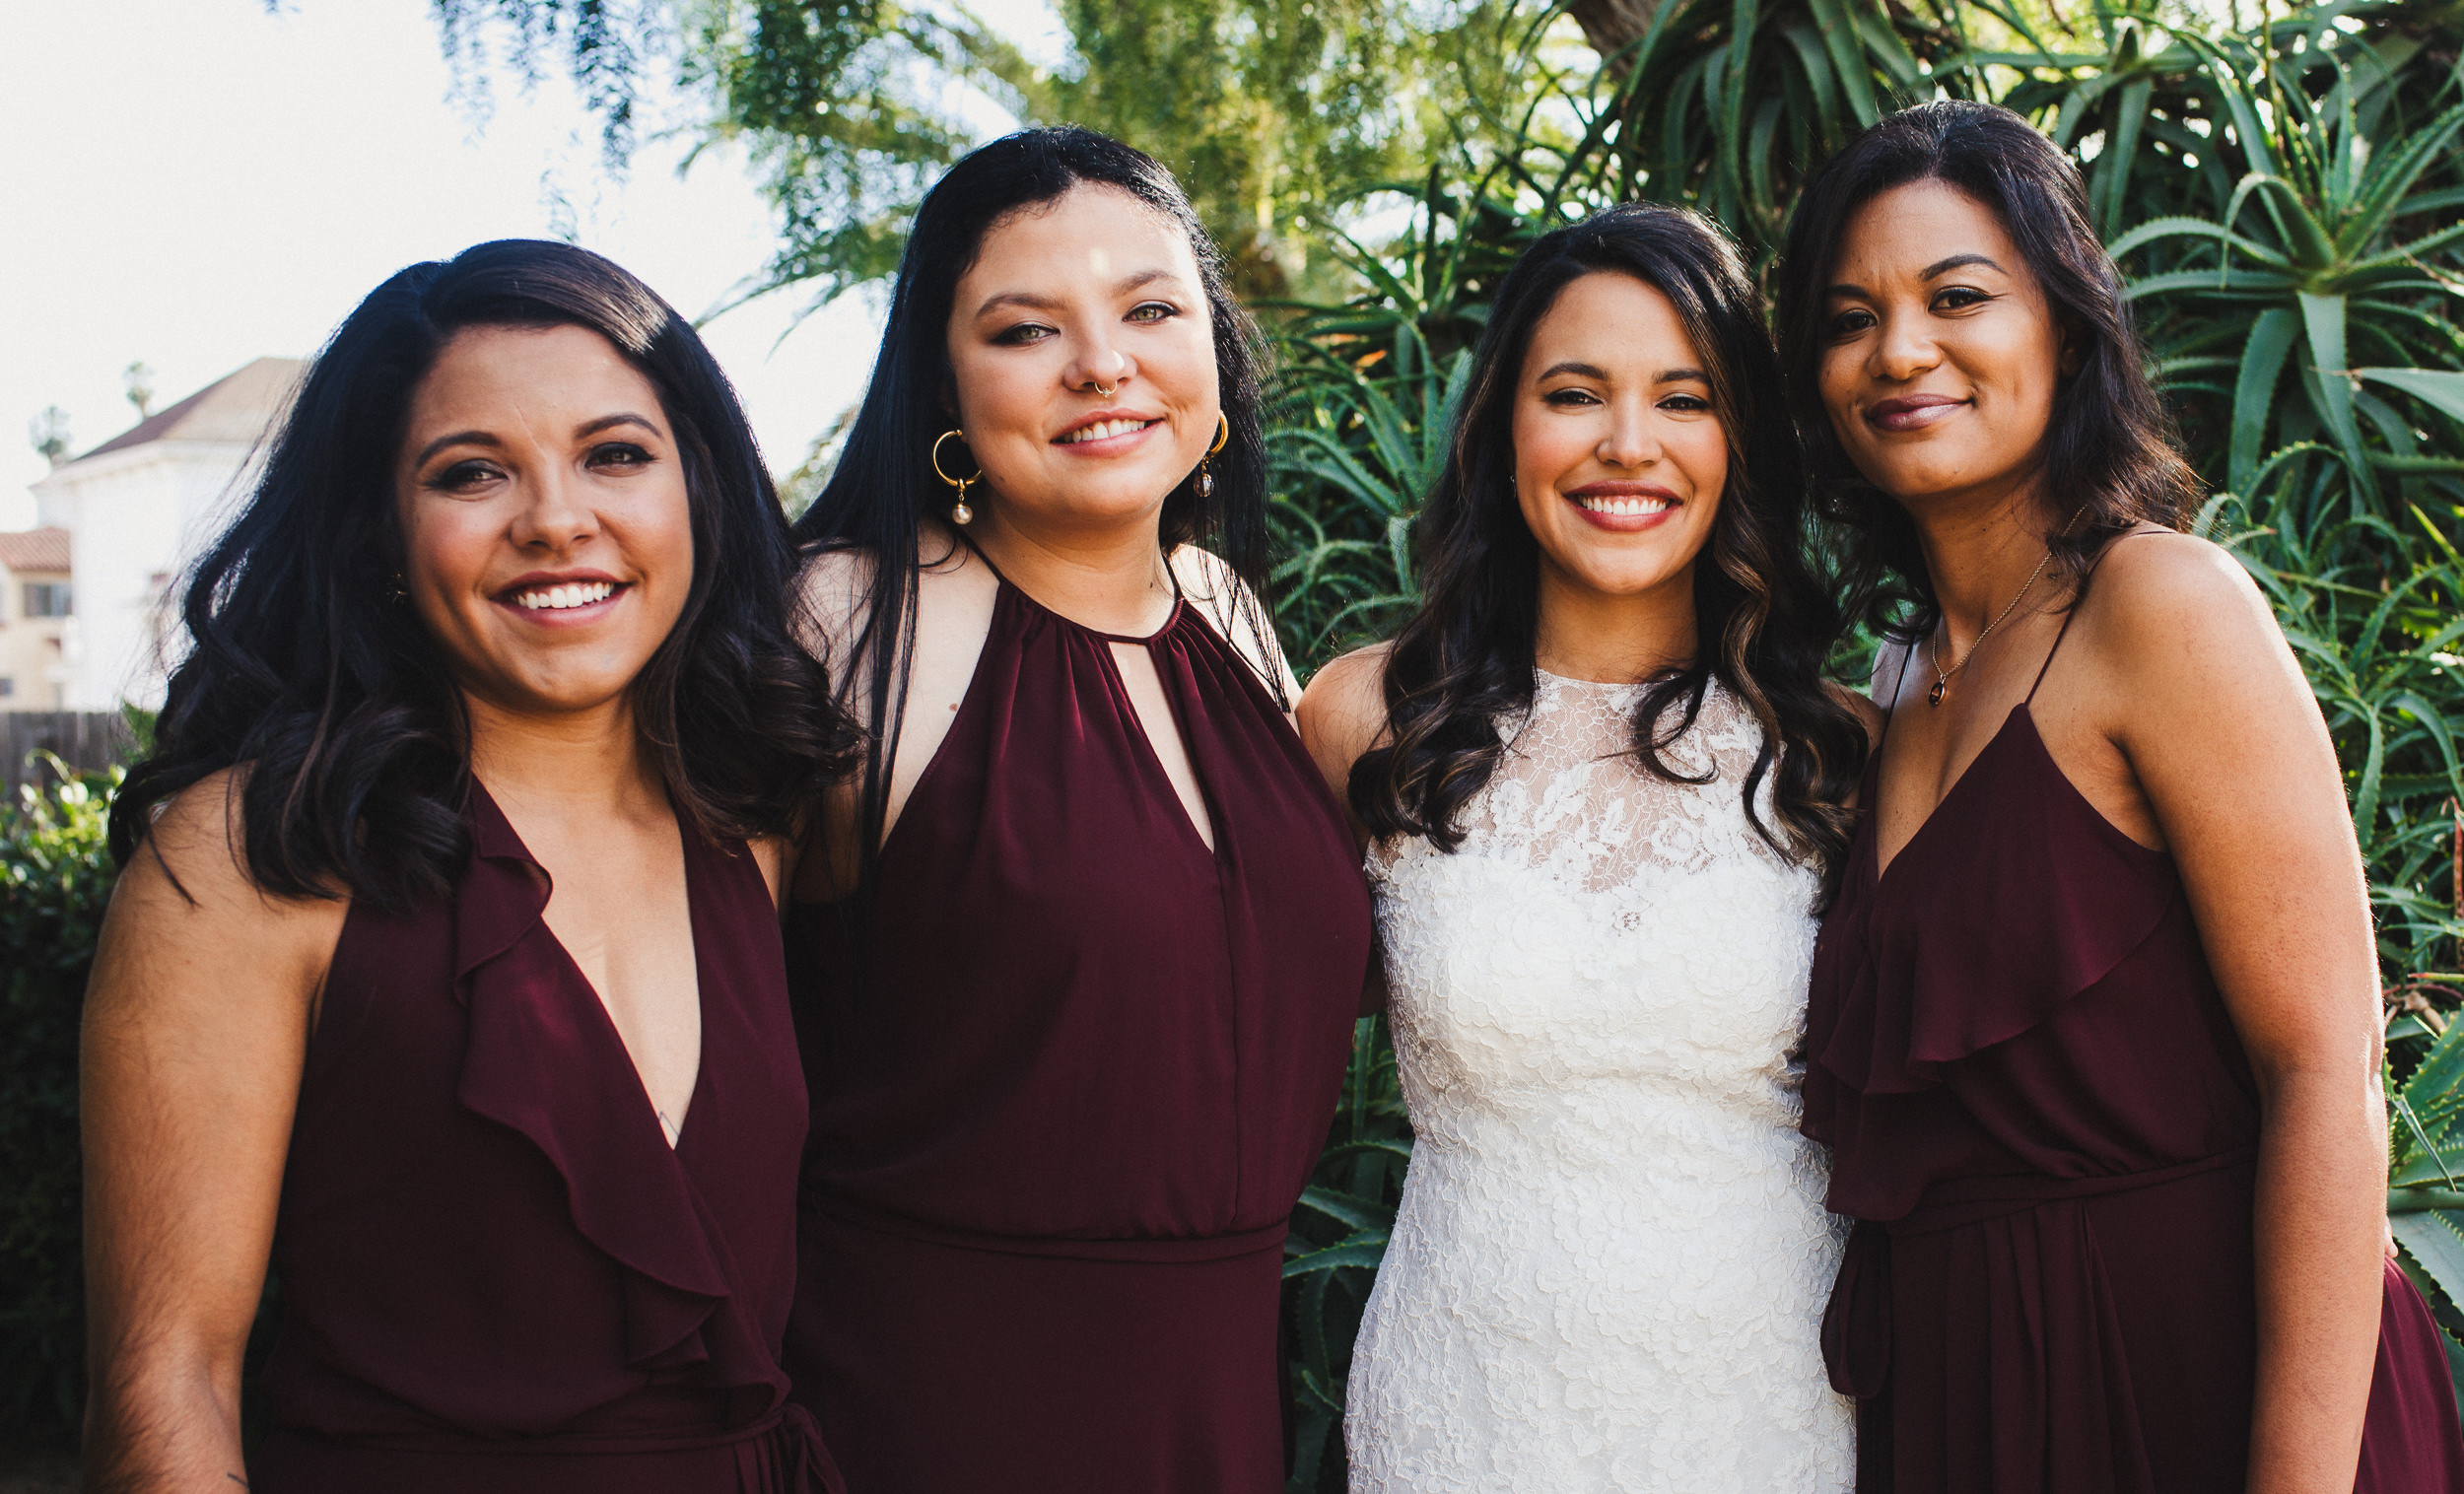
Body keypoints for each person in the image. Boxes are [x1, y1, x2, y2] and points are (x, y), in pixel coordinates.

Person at [81, 240, 854, 1494]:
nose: (556, 519)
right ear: (381, 532)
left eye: (615, 454)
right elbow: (167, 1381)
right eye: (471, 472)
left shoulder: (759, 825)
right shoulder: (249, 855)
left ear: (698, 493)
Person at [1778, 100, 2464, 1492]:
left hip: (2202, 1383)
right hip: (1971, 1409)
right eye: (1850, 319)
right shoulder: (1900, 681)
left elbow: (2326, 1075)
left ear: (2066, 323)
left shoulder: (2160, 604)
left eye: (1957, 296)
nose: (1901, 351)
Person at [780, 126, 1374, 1493]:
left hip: (1216, 1398)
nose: (1103, 363)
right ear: (944, 378)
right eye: (1027, 329)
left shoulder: (1227, 615)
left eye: (1151, 310)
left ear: (1214, 353)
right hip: (924, 1407)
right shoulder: (843, 616)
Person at [1298, 204, 1873, 1490]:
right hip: (1460, 1415)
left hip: (1765, 1416)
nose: (1627, 444)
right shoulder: (1361, 722)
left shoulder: (1842, 753)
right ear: (1506, 424)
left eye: (1684, 398)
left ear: (1740, 441)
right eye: (1574, 393)